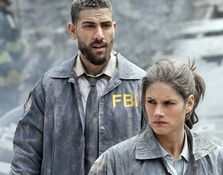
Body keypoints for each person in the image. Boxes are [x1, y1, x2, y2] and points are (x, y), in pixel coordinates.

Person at [10, 0, 146, 174]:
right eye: (89, 26)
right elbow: (26, 155)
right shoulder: (49, 86)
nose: (99, 35)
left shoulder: (139, 84)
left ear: (114, 28)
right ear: (73, 30)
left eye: (105, 25)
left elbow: (157, 154)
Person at [89, 59, 223, 175]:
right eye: (151, 102)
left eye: (168, 103)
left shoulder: (219, 162)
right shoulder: (113, 163)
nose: (158, 112)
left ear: (189, 103)